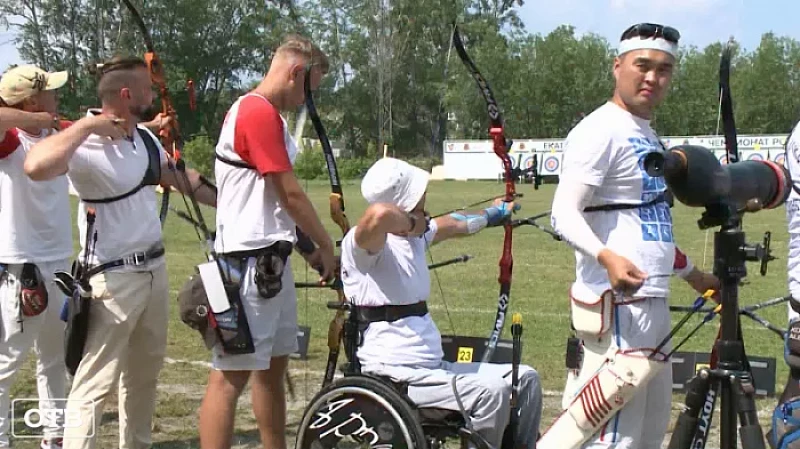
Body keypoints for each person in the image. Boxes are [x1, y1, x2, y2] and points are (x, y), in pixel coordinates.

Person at [23, 55, 217, 449]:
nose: (153, 92)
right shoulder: (84, 144)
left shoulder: (142, 139)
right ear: (127, 94)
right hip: (112, 280)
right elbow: (36, 166)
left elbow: (180, 178)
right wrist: (88, 124)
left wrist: (232, 201)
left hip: (154, 271)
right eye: (147, 88)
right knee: (95, 381)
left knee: (143, 377)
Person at [544, 23, 720, 449]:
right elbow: (562, 213)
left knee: (646, 433)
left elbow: (649, 226)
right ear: (617, 65)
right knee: (611, 436)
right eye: (643, 65)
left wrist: (694, 274)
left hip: (652, 304)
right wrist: (606, 256)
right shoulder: (599, 129)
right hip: (616, 303)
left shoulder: (646, 134)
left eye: (663, 69)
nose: (652, 78)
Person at [338, 156, 543, 449]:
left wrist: (494, 213)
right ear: (404, 199)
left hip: (432, 366)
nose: (425, 196)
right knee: (492, 392)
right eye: (418, 193)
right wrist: (412, 223)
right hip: (395, 373)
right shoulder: (362, 247)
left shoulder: (417, 235)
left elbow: (457, 224)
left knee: (525, 379)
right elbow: (378, 215)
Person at [198, 34, 336, 449]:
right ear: (296, 72)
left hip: (269, 264)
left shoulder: (268, 116)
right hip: (246, 267)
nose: (307, 101)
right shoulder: (255, 111)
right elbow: (289, 194)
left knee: (272, 372)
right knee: (229, 378)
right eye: (310, 89)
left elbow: (273, 207)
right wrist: (326, 244)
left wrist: (309, 252)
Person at [0, 64, 72, 449]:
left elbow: (100, 127)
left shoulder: (57, 135)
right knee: (7, 364)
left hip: (60, 263)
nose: (56, 98)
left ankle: (55, 438)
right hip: (22, 266)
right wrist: (35, 118)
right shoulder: (9, 140)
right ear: (31, 100)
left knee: (54, 360)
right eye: (50, 92)